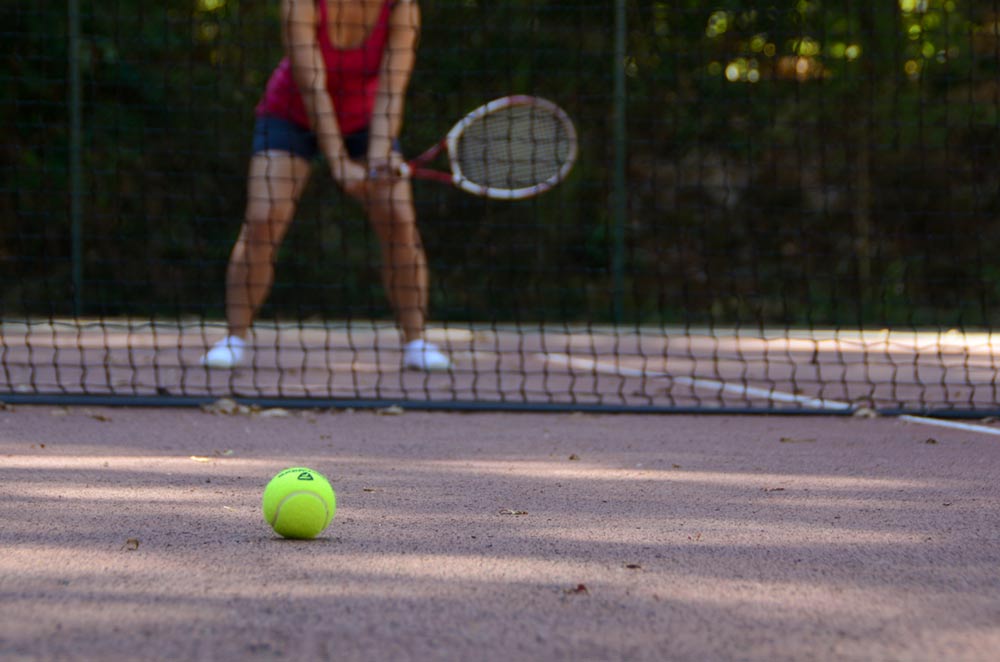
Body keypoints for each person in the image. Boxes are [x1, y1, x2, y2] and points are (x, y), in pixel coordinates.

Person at [201, 0, 450, 371]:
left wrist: (379, 157)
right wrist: (339, 163)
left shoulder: (402, 7)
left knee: (398, 218)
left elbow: (391, 90)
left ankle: (416, 342)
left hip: (367, 120)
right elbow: (312, 87)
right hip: (291, 115)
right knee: (263, 219)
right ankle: (235, 337)